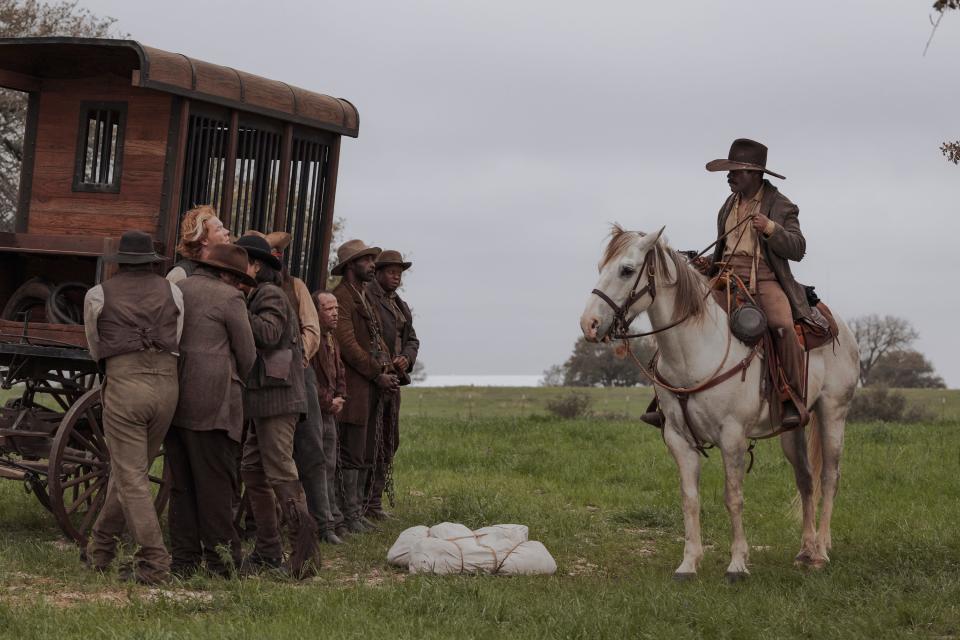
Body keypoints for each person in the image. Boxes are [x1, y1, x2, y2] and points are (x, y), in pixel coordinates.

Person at [82, 230, 183, 584]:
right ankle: (101, 547)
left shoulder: (98, 294)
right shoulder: (172, 290)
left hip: (126, 386)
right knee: (131, 473)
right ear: (151, 262)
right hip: (167, 387)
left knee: (132, 476)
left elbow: (95, 346)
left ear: (120, 262)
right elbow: (177, 336)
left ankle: (154, 561)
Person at [705, 138, 827, 428]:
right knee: (688, 311)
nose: (729, 175)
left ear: (755, 173)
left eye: (736, 170)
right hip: (725, 275)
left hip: (765, 278)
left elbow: (797, 248)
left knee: (783, 327)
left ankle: (792, 400)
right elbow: (728, 246)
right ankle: (666, 398)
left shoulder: (782, 206)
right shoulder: (728, 204)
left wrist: (772, 228)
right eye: (730, 170)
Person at [165, 244, 257, 578]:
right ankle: (222, 562)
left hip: (174, 399)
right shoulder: (230, 298)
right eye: (238, 279)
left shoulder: (179, 288)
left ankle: (184, 561)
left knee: (182, 485)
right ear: (227, 274)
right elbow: (247, 355)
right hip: (215, 404)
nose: (239, 286)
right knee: (217, 486)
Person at [235, 234, 319, 579]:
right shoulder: (261, 294)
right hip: (266, 400)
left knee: (282, 475)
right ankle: (269, 550)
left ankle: (306, 560)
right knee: (253, 471)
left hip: (276, 401)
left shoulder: (268, 294)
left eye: (241, 263)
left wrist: (235, 308)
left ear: (255, 265)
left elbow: (268, 335)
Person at [331, 240, 398, 533]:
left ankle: (355, 513)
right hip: (354, 386)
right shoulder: (342, 297)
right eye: (367, 260)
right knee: (352, 450)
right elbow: (347, 344)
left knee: (367, 448)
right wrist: (375, 373)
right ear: (350, 266)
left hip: (368, 385)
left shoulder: (364, 296)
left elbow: (376, 339)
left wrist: (389, 366)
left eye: (373, 259)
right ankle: (347, 515)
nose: (373, 264)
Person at [364, 250, 420, 520]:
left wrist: (405, 359)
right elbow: (366, 341)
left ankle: (373, 503)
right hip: (372, 380)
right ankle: (361, 505)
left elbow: (412, 340)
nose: (396, 276)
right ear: (378, 272)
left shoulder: (400, 304)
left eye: (399, 272)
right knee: (368, 441)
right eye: (391, 271)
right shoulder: (367, 299)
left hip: (394, 380)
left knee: (389, 440)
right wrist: (384, 363)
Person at [310, 291, 347, 542]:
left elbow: (340, 373)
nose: (334, 313)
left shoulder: (332, 340)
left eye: (336, 309)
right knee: (318, 467)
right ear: (317, 312)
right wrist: (327, 401)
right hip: (316, 411)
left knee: (330, 466)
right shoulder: (313, 341)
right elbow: (310, 379)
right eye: (328, 309)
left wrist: (341, 396)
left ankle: (333, 520)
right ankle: (324, 525)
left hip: (330, 411)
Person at [166, 205, 231, 284]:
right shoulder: (180, 274)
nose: (227, 231)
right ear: (203, 239)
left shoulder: (225, 272)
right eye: (219, 228)